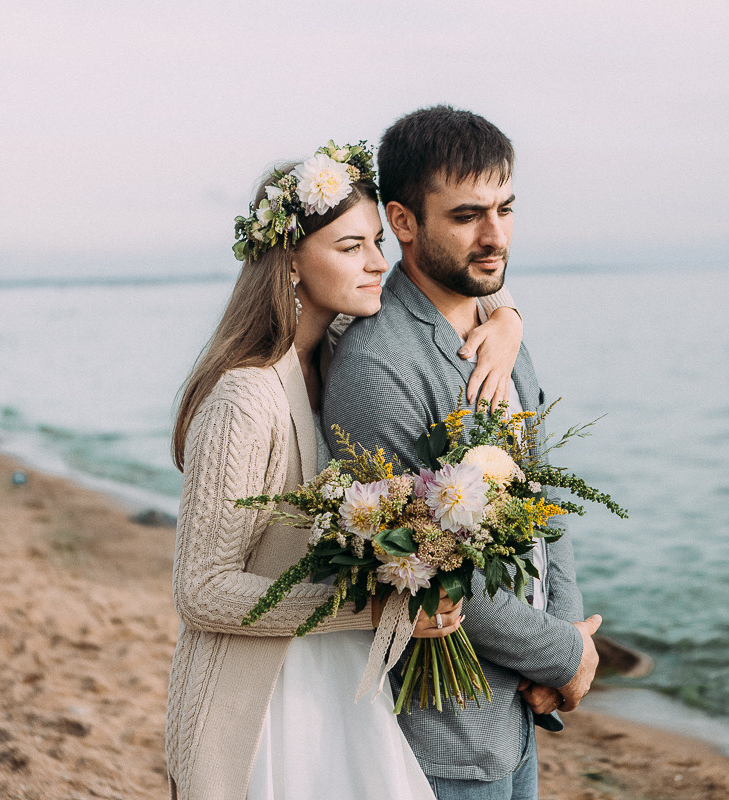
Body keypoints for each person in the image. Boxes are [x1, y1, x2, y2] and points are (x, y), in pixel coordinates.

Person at [164, 141, 527, 800]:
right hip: (261, 706)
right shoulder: (245, 396)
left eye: (377, 243)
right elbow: (201, 591)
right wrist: (371, 607)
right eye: (349, 247)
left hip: (336, 691)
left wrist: (506, 321)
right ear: (292, 262)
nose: (378, 264)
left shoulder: (335, 356)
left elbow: (455, 305)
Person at [322, 107, 602, 800]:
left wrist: (564, 632)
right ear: (404, 221)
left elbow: (544, 503)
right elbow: (426, 570)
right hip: (438, 737)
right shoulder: (377, 367)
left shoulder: (500, 328)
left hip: (515, 714)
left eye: (506, 209)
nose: (496, 235)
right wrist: (569, 654)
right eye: (469, 215)